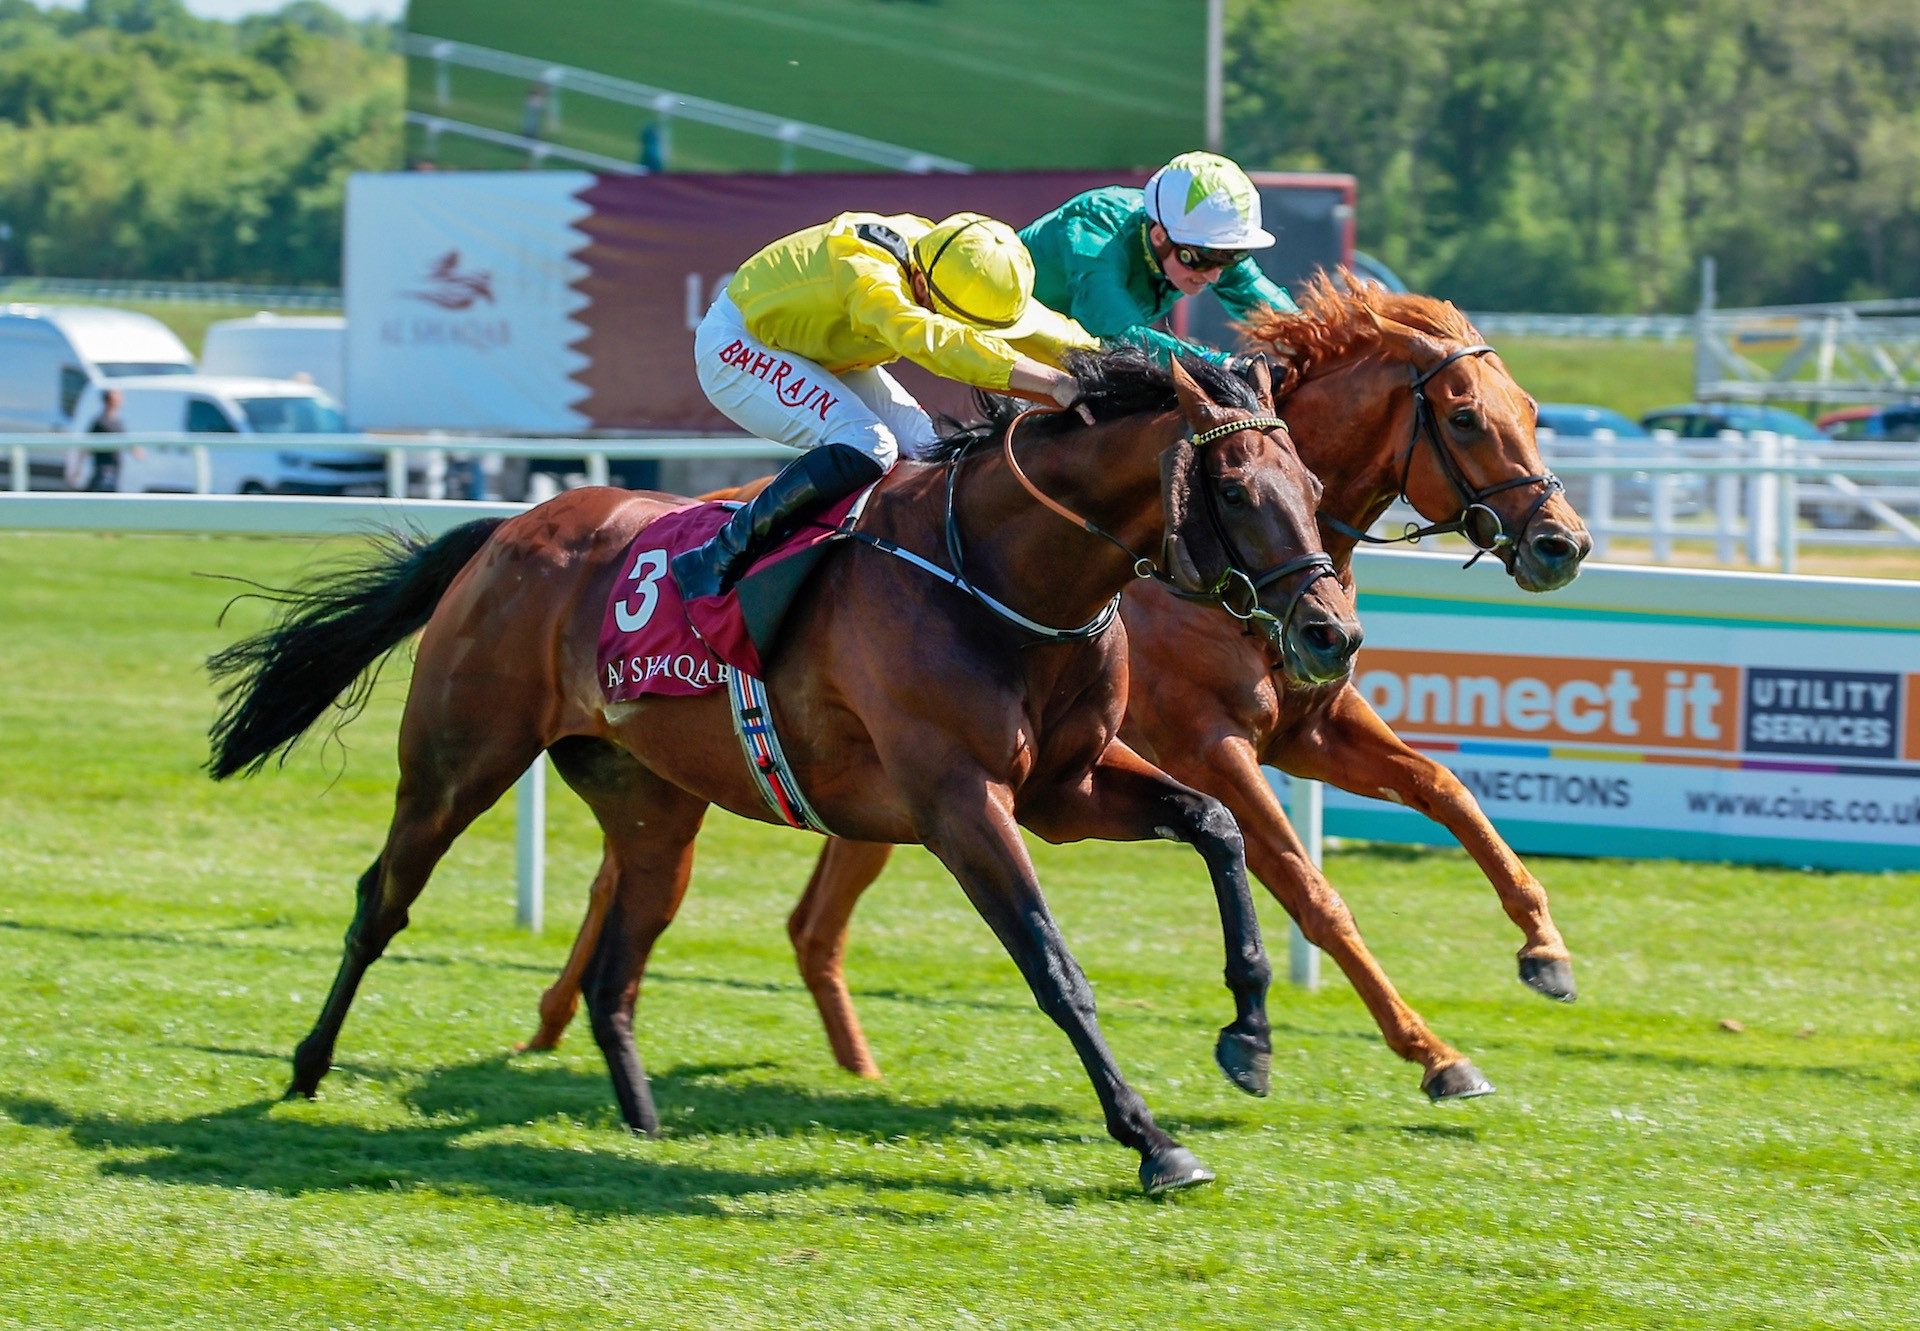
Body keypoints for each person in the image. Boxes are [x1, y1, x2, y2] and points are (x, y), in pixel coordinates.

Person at [670, 211, 1096, 601]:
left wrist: (1126, 361)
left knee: (928, 452)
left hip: (818, 348)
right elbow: (939, 343)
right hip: (740, 345)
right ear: (922, 288)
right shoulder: (870, 277)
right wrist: (1055, 383)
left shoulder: (948, 259)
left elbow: (1044, 329)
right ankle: (717, 557)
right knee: (869, 444)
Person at [1018, 150, 1296, 371]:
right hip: (996, 344)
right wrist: (1225, 366)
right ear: (1160, 236)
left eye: (1231, 258)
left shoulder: (1197, 242)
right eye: (1200, 260)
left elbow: (1276, 313)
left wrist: (1322, 343)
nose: (1214, 276)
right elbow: (1118, 338)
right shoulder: (1095, 234)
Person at [85, 388, 126, 491]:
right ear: (111, 400)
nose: (122, 400)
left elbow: (127, 440)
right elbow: (85, 445)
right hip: (103, 471)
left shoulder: (117, 421)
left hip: (114, 471)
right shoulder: (100, 422)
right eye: (118, 397)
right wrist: (77, 469)